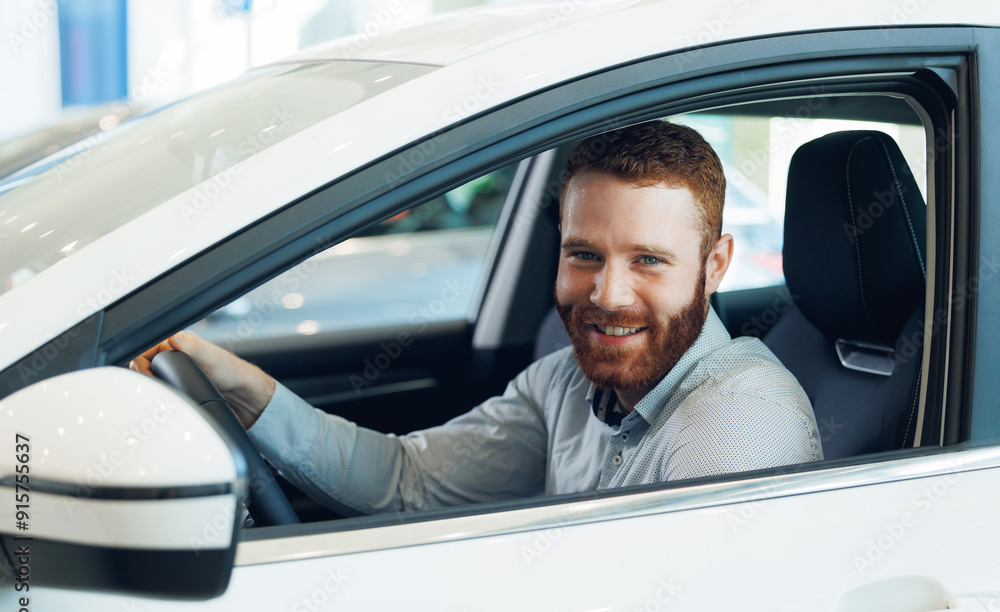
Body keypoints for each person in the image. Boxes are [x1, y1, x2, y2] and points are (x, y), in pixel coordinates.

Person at [132, 120, 821, 515]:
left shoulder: (740, 422)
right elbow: (407, 480)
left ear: (716, 265)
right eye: (585, 254)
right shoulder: (566, 384)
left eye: (648, 260)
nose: (607, 294)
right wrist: (250, 393)